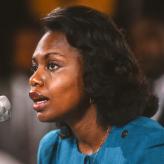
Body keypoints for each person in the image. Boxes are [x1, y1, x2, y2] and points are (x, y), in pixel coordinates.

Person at [28, 6, 164, 164]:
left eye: (52, 65)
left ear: (95, 70)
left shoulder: (148, 145)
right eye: (34, 67)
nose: (34, 78)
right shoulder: (51, 148)